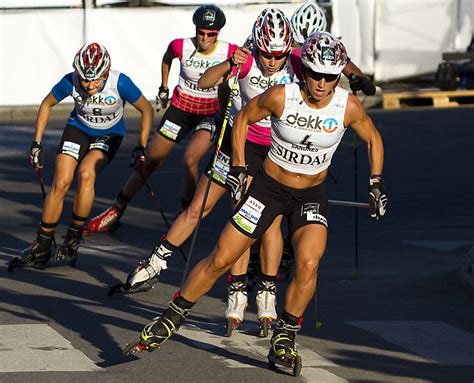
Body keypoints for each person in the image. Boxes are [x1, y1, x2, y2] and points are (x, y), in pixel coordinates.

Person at [134, 32, 387, 373]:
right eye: (315, 74)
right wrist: (238, 166)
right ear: (305, 70)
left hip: (310, 196)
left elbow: (373, 139)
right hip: (268, 189)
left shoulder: (347, 106)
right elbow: (242, 119)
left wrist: (375, 184)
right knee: (222, 257)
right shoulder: (283, 96)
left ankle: (285, 336)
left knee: (309, 263)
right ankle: (171, 316)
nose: (323, 84)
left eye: (331, 76)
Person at [118, 8, 298, 335]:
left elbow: (334, 65)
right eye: (267, 54)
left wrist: (355, 78)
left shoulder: (294, 59)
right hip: (233, 145)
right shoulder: (244, 58)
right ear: (257, 44)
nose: (272, 61)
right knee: (199, 207)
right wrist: (231, 64)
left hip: (272, 152)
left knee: (262, 222)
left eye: (279, 55)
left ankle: (264, 293)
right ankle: (156, 262)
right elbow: (205, 80)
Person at [85, 4, 236, 234]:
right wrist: (164, 85)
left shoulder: (228, 51)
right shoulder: (180, 46)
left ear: (219, 33)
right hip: (181, 109)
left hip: (209, 112)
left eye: (211, 34)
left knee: (190, 159)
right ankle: (117, 209)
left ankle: (185, 214)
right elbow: (167, 58)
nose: (205, 38)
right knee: (151, 160)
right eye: (201, 32)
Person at [19, 42, 153, 266]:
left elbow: (146, 109)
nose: (89, 86)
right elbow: (46, 104)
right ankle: (42, 244)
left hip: (109, 134)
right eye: (84, 79)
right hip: (78, 129)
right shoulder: (70, 80)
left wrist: (141, 145)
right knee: (61, 182)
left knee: (86, 174)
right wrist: (37, 143)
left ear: (106, 73)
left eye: (95, 79)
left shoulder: (119, 82)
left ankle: (73, 238)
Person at [290, 0, 376, 96]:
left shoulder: (332, 52)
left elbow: (369, 88)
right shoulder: (285, 54)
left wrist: (361, 81)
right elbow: (370, 89)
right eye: (300, 45)